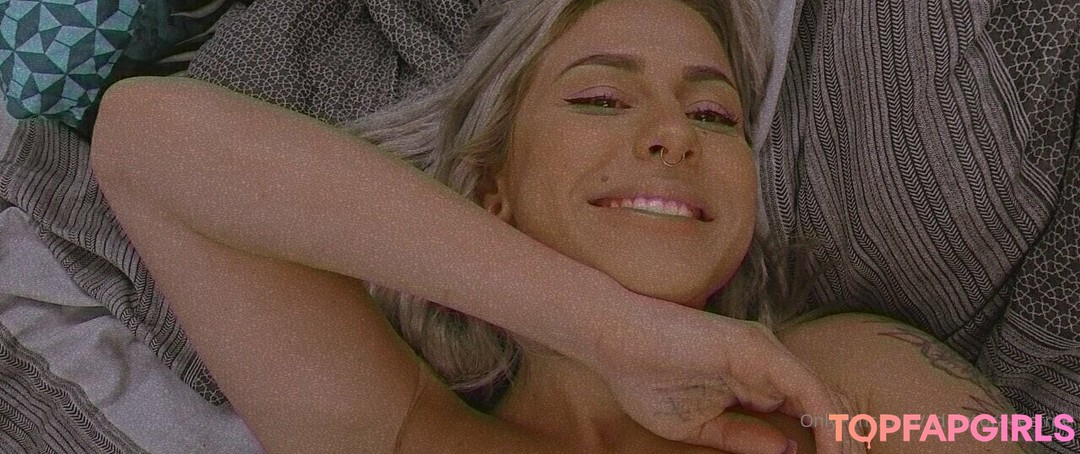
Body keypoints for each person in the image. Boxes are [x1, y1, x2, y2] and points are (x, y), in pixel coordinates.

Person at [90, 0, 1024, 452]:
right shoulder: (408, 432)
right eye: (601, 98)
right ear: (492, 188)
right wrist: (614, 334)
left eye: (714, 115)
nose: (672, 134)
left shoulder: (828, 385)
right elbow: (146, 139)